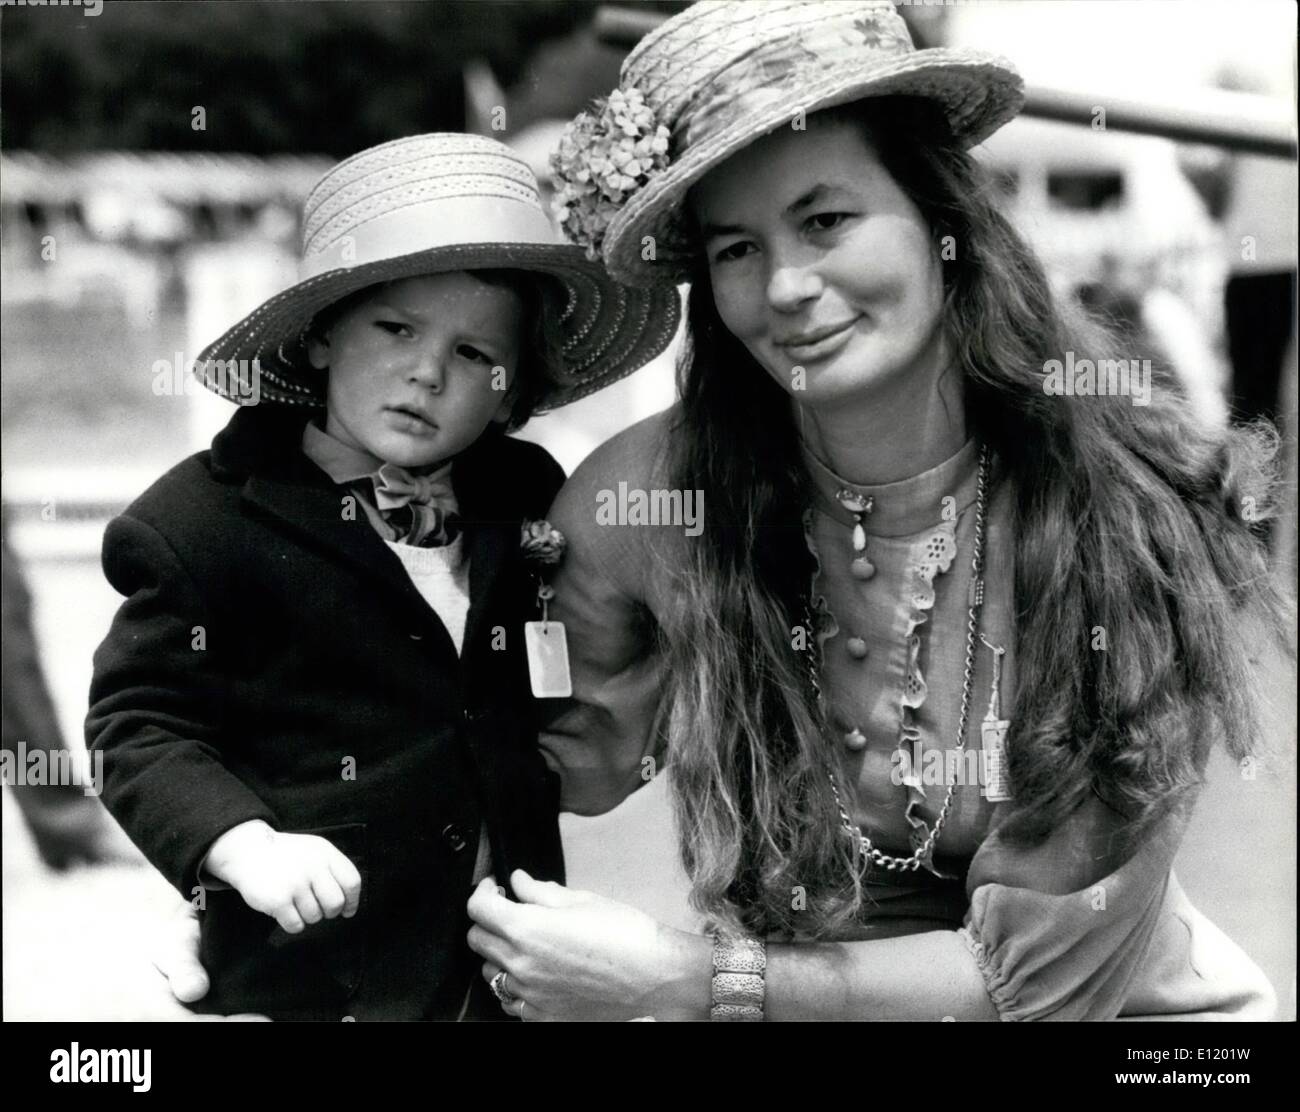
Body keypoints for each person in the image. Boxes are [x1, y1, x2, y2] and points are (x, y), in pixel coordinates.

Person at [464, 0, 1292, 1021]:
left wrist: (695, 980)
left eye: (826, 221)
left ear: (943, 219)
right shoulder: (650, 501)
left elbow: (1033, 985)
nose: (786, 287)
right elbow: (542, 762)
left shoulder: (1117, 521)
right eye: (735, 249)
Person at [85, 133, 679, 1021]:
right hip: (311, 964)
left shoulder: (526, 492)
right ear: (322, 337)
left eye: (477, 355)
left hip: (501, 956)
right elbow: (137, 727)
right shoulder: (198, 525)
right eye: (396, 329)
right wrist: (238, 845)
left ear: (514, 392)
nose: (428, 372)